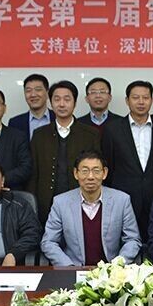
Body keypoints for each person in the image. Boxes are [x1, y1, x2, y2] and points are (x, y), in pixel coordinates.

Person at [41, 150, 141, 266]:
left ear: (104, 173)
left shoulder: (121, 200)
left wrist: (117, 265)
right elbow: (49, 242)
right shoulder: (61, 202)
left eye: (96, 171)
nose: (90, 177)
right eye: (84, 171)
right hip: (74, 269)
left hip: (111, 271)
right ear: (75, 173)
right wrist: (68, 266)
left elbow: (132, 240)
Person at [102, 80, 153, 241]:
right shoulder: (112, 130)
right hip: (122, 200)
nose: (141, 102)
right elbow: (108, 167)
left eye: (145, 98)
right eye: (135, 97)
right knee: (123, 245)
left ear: (152, 100)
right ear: (127, 101)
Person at [29, 81, 101, 222]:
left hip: (82, 201)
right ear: (50, 103)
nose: (62, 104)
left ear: (75, 103)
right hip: (46, 203)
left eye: (67, 99)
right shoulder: (39, 134)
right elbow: (33, 173)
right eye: (57, 99)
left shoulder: (90, 134)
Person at [8, 74, 55, 139]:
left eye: (38, 89)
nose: (33, 95)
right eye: (28, 91)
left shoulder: (59, 118)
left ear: (47, 93)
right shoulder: (15, 123)